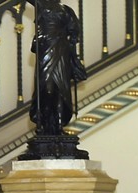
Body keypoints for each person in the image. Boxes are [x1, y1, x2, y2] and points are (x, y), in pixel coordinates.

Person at [26, 0, 88, 136]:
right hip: (46, 48)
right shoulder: (41, 4)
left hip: (61, 50)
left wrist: (71, 42)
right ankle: (45, 124)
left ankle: (59, 126)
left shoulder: (66, 10)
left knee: (61, 89)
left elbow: (74, 31)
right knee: (46, 88)